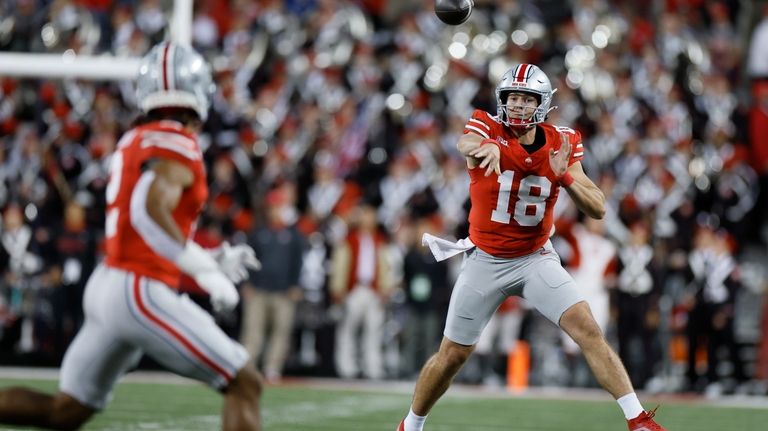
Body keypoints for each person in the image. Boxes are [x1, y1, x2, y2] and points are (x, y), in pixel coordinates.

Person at [0, 41, 264, 430]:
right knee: (244, 381)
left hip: (109, 281)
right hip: (139, 290)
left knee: (67, 410)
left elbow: (146, 218)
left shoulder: (135, 138)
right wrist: (205, 272)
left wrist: (208, 259)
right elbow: (147, 209)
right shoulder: (178, 143)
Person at [397, 63, 666, 431]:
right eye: (513, 98)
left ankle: (637, 419)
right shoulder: (486, 126)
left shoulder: (562, 141)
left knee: (587, 327)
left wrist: (564, 176)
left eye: (527, 99)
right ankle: (410, 426)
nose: (519, 106)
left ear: (542, 104)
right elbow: (466, 143)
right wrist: (488, 145)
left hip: (534, 257)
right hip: (486, 260)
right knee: (452, 356)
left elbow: (598, 207)